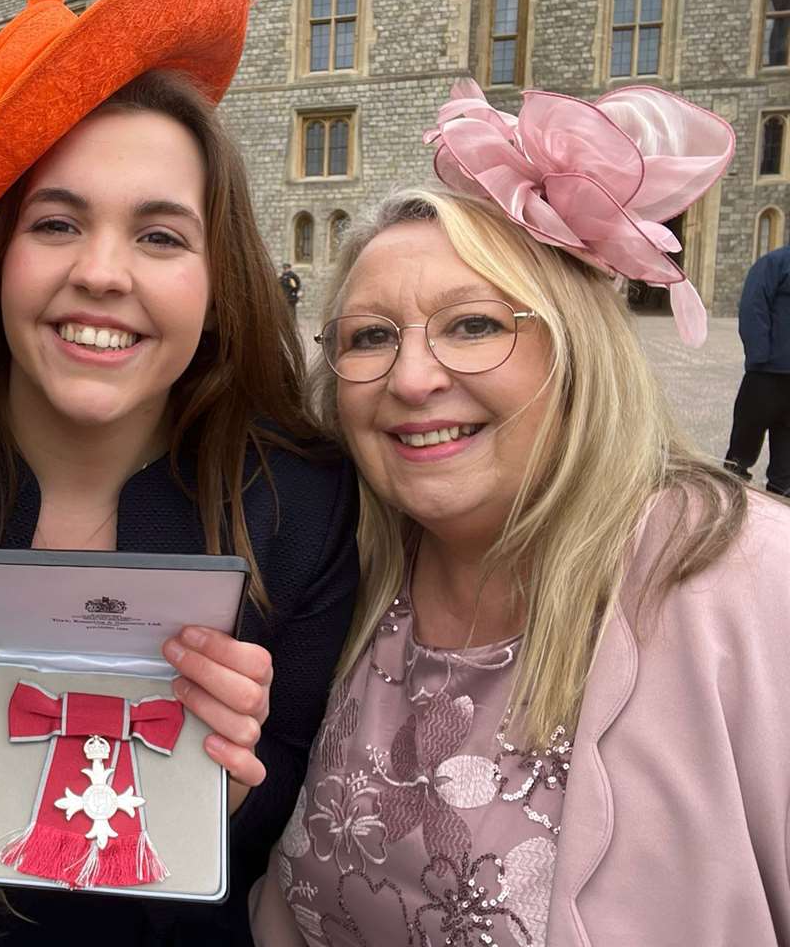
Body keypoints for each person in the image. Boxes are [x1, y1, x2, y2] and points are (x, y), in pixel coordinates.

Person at [0, 0, 359, 944]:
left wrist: (223, 794)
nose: (102, 272)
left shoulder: (305, 504)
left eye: (160, 237)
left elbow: (296, 798)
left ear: (218, 280)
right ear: (0, 256)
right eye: (57, 223)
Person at [251, 81, 790, 946]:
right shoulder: (343, 571)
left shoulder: (743, 583)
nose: (411, 378)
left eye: (471, 326)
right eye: (369, 336)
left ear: (575, 349)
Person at [723, 239, 790, 497]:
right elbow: (753, 305)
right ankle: (731, 496)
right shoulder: (774, 263)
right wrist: (760, 357)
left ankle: (780, 506)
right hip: (766, 376)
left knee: (786, 467)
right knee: (743, 446)